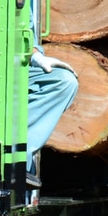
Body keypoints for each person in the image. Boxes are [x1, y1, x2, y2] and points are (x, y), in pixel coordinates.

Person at [26, 47, 78, 189]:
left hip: (17, 66)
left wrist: (36, 56)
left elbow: (26, 35)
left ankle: (20, 155)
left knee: (65, 81)